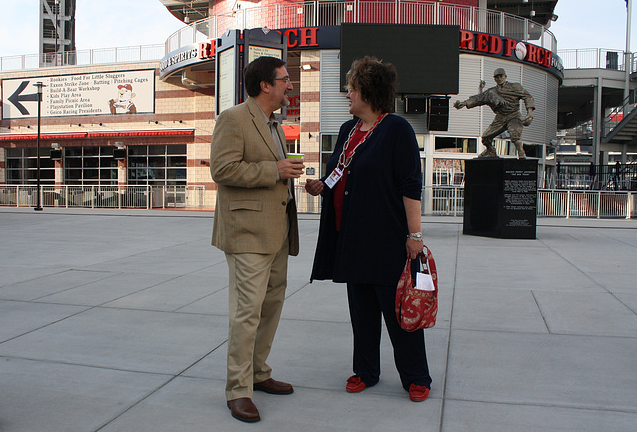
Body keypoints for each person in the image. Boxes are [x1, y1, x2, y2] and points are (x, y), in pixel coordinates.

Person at [306, 56, 432, 402]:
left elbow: (410, 186)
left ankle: (416, 377)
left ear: (369, 92)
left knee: (399, 313)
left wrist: (415, 236)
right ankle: (366, 371)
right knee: (362, 314)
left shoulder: (397, 130)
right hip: (350, 239)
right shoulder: (348, 131)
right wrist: (322, 185)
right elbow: (339, 173)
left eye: (352, 89)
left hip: (387, 241)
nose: (348, 95)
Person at [210, 56, 304, 423]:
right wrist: (274, 169)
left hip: (278, 230)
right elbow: (222, 168)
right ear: (265, 85)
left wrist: (293, 176)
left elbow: (277, 174)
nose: (289, 85)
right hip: (247, 233)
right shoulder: (233, 119)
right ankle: (238, 389)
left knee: (271, 306)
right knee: (246, 313)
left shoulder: (276, 125)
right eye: (284, 80)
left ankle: (259, 372)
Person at [453, 68, 535, 159]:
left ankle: (521, 152)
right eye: (497, 77)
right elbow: (478, 98)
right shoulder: (492, 92)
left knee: (514, 134)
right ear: (494, 79)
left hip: (513, 116)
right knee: (485, 137)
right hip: (500, 118)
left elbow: (528, 97)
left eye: (501, 76)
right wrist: (463, 103)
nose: (499, 79)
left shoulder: (515, 87)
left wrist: (529, 113)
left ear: (505, 77)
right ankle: (490, 151)